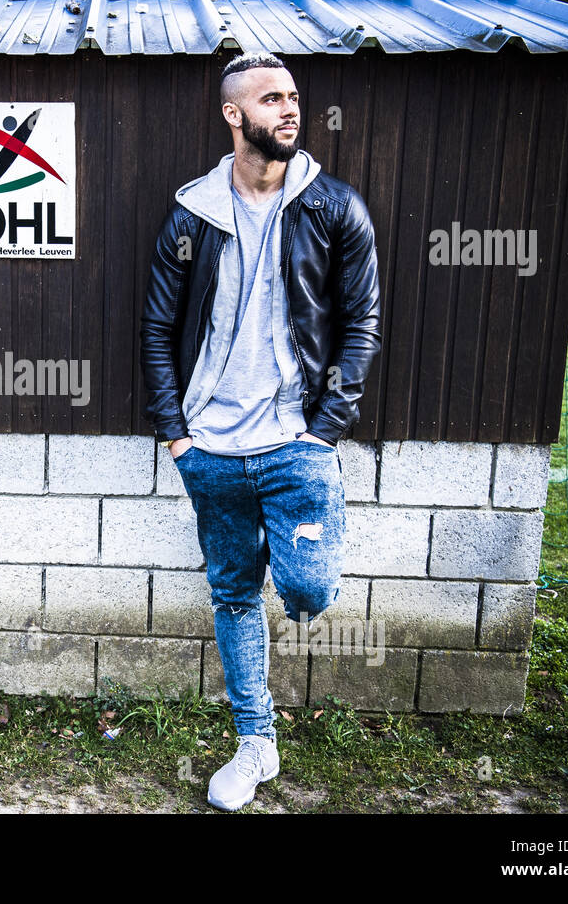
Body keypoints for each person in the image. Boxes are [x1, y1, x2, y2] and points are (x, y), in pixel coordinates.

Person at [138, 51, 382, 811]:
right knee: (236, 594)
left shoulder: (333, 208)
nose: (289, 109)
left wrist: (322, 434)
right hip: (211, 449)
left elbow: (362, 325)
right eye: (270, 99)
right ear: (233, 115)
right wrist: (178, 437)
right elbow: (156, 329)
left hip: (295, 445)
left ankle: (306, 510)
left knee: (309, 587)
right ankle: (256, 743)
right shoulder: (193, 217)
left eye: (294, 97)